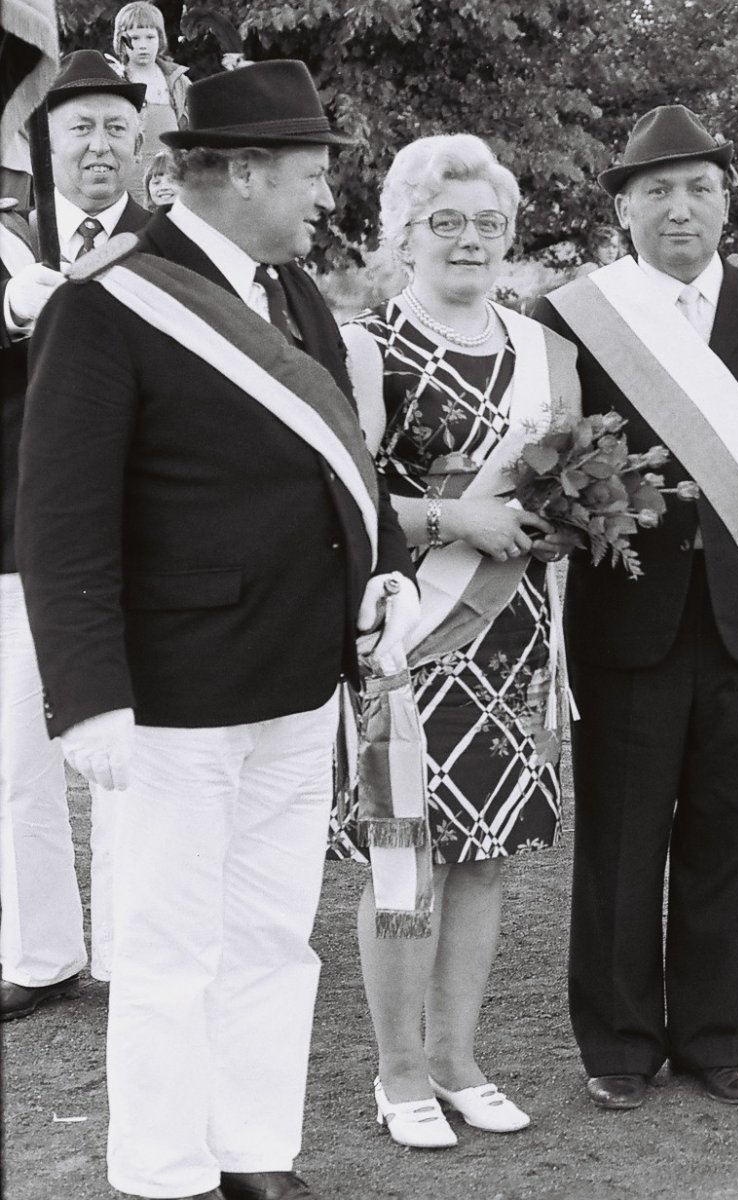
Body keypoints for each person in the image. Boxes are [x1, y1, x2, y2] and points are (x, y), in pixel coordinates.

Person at [17, 59, 419, 1200]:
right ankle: (164, 1173)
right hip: (173, 695)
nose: (325, 197)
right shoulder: (105, 301)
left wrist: (385, 569)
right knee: (167, 949)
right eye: (309, 173)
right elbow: (62, 519)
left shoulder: (291, 294)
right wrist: (88, 694)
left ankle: (253, 1152)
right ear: (242, 172)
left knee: (270, 937)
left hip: (298, 673)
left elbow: (342, 458)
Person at [530, 105, 738, 1110]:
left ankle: (715, 1040)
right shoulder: (575, 317)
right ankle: (619, 1046)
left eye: (699, 188)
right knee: (622, 839)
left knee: (732, 832)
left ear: (726, 202)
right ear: (622, 209)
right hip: (628, 615)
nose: (680, 208)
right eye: (656, 190)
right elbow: (545, 457)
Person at [333, 134, 580, 1148]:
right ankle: (398, 1071)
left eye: (488, 222)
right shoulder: (366, 345)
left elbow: (561, 484)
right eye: (446, 221)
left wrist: (562, 521)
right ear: (403, 233)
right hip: (411, 630)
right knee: (408, 854)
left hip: (513, 630)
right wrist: (453, 519)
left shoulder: (543, 349)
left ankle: (456, 1059)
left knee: (487, 853)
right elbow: (343, 499)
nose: (470, 239)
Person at [0, 50, 155, 1023]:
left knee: (130, 758)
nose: (98, 145)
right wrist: (17, 305)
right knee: (16, 758)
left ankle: (135, 949)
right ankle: (42, 951)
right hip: (17, 538)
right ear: (43, 142)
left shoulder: (172, 244)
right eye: (78, 128)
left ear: (138, 142)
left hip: (142, 541)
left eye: (114, 128)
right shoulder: (10, 243)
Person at [107, 2, 191, 206]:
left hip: (167, 184)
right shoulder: (113, 82)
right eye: (135, 38)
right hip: (125, 184)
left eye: (150, 37)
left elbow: (193, 135)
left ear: (160, 38)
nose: (143, 45)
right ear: (121, 42)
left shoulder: (178, 81)